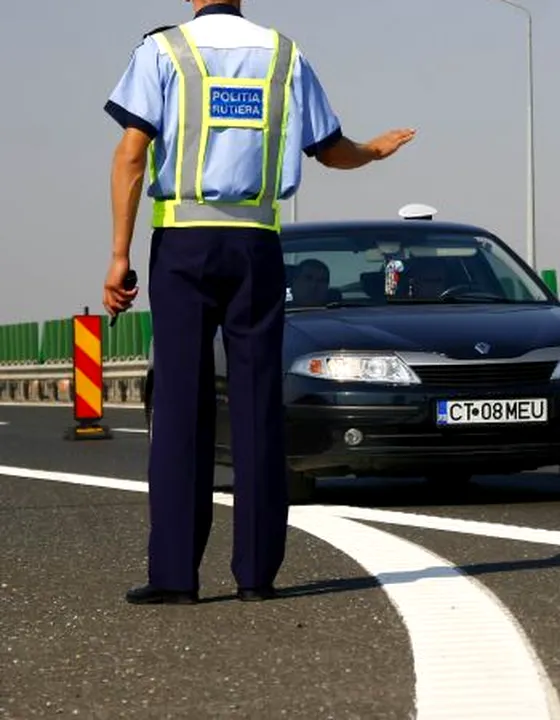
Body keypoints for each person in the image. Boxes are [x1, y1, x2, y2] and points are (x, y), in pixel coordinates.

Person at [101, 0, 415, 605]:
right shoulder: (284, 55)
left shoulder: (164, 51)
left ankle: (174, 577)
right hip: (257, 247)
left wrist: (119, 254)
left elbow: (131, 154)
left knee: (181, 410)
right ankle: (256, 576)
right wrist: (373, 151)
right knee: (257, 406)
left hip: (185, 247)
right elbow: (329, 149)